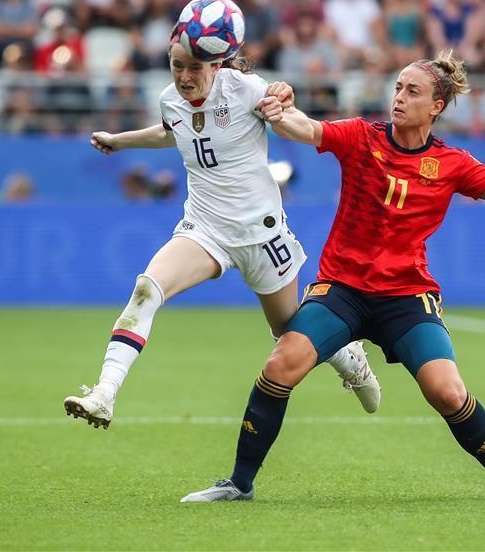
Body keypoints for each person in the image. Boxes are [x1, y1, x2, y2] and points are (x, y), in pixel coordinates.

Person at [182, 50, 485, 502]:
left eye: (412, 91)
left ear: (436, 107)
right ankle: (238, 484)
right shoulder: (359, 136)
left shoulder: (453, 164)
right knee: (279, 368)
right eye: (397, 88)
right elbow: (303, 127)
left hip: (406, 298)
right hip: (342, 291)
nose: (399, 97)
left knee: (447, 393)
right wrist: (276, 105)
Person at [63, 27, 381, 430]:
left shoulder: (247, 89)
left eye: (193, 67)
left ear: (215, 64)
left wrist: (285, 98)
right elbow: (169, 131)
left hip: (261, 235)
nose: (183, 76)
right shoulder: (169, 99)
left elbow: (288, 117)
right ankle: (104, 393)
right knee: (147, 289)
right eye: (177, 66)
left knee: (288, 330)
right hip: (205, 230)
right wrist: (119, 141)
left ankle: (348, 359)